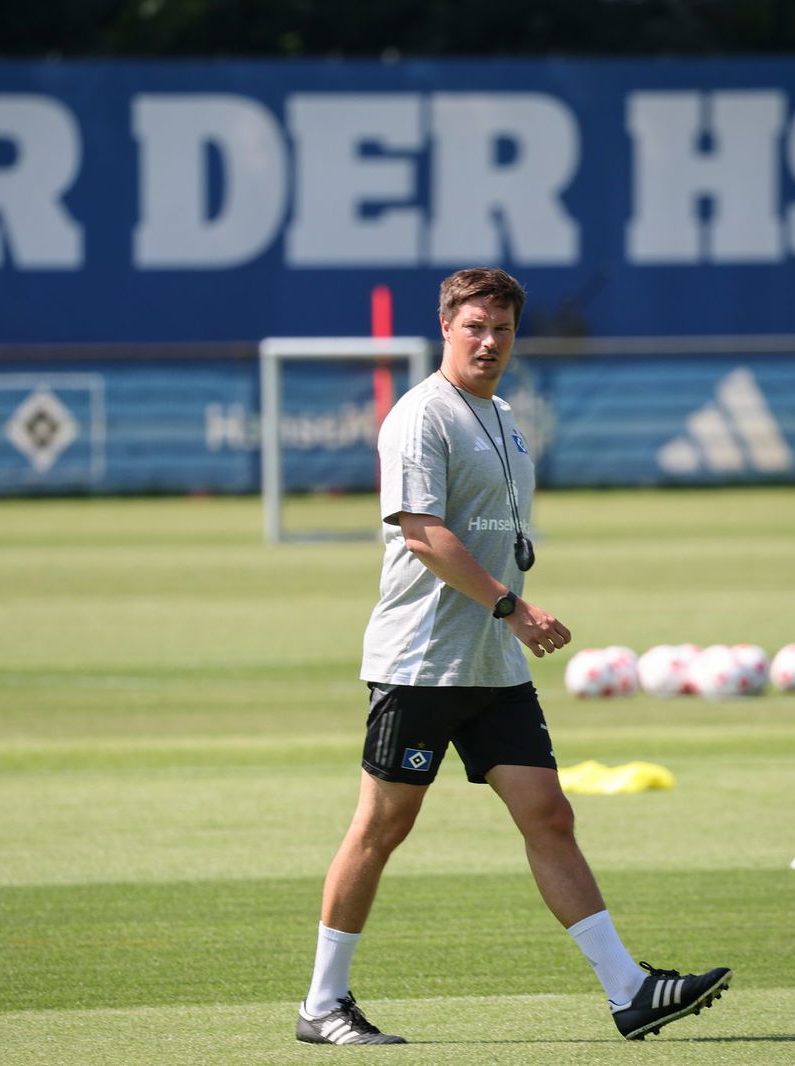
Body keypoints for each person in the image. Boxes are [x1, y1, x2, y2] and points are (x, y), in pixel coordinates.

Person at [295, 268, 731, 1046]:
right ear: (446, 329)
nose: (490, 342)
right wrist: (513, 604)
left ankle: (629, 990)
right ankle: (322, 1004)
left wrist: (506, 615)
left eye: (502, 329)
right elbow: (423, 534)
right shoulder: (419, 416)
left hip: (492, 664)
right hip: (423, 662)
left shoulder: (500, 414)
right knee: (381, 827)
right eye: (475, 328)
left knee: (549, 815)